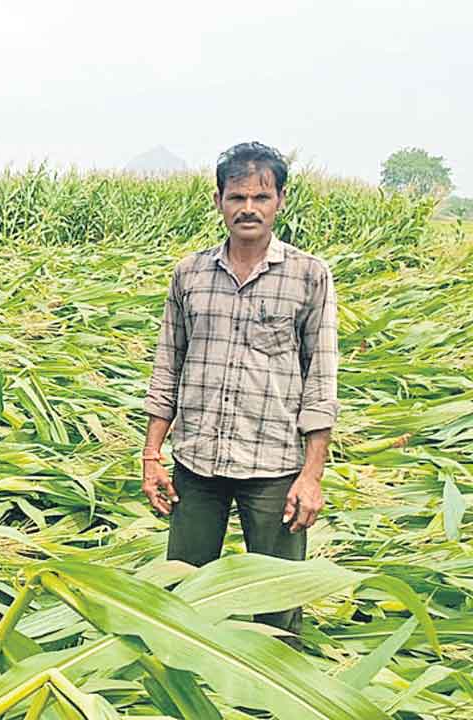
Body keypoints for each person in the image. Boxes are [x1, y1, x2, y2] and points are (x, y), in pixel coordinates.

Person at [142, 141, 339, 643]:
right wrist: (151, 456)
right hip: (197, 464)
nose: (248, 208)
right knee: (182, 597)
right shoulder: (190, 274)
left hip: (274, 469)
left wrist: (312, 475)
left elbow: (321, 381)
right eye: (237, 197)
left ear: (280, 201)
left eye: (260, 196)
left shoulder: (309, 276)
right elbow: (169, 366)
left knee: (277, 608)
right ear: (218, 201)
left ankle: (273, 700)